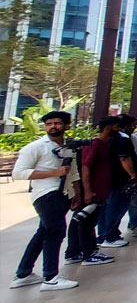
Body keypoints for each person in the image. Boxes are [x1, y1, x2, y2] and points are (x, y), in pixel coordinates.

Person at [10, 110, 80, 291]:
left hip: (63, 194)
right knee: (55, 233)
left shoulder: (68, 146)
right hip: (45, 194)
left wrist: (76, 193)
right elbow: (18, 173)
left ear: (66, 125)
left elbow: (72, 172)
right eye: (49, 124)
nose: (53, 127)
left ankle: (23, 274)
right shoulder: (36, 147)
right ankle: (51, 277)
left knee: (43, 232)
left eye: (57, 123)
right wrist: (53, 173)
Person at [65, 116, 122, 267]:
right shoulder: (94, 144)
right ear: (109, 127)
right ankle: (88, 253)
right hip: (90, 192)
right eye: (117, 126)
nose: (120, 130)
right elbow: (85, 168)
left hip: (98, 191)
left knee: (81, 220)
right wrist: (88, 191)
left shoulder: (104, 144)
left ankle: (73, 252)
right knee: (85, 222)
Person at [98, 114, 137, 248]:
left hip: (106, 178)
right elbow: (124, 158)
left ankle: (103, 234)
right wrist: (132, 175)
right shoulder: (121, 139)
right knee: (116, 206)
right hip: (119, 178)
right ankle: (110, 235)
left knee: (107, 207)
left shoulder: (102, 140)